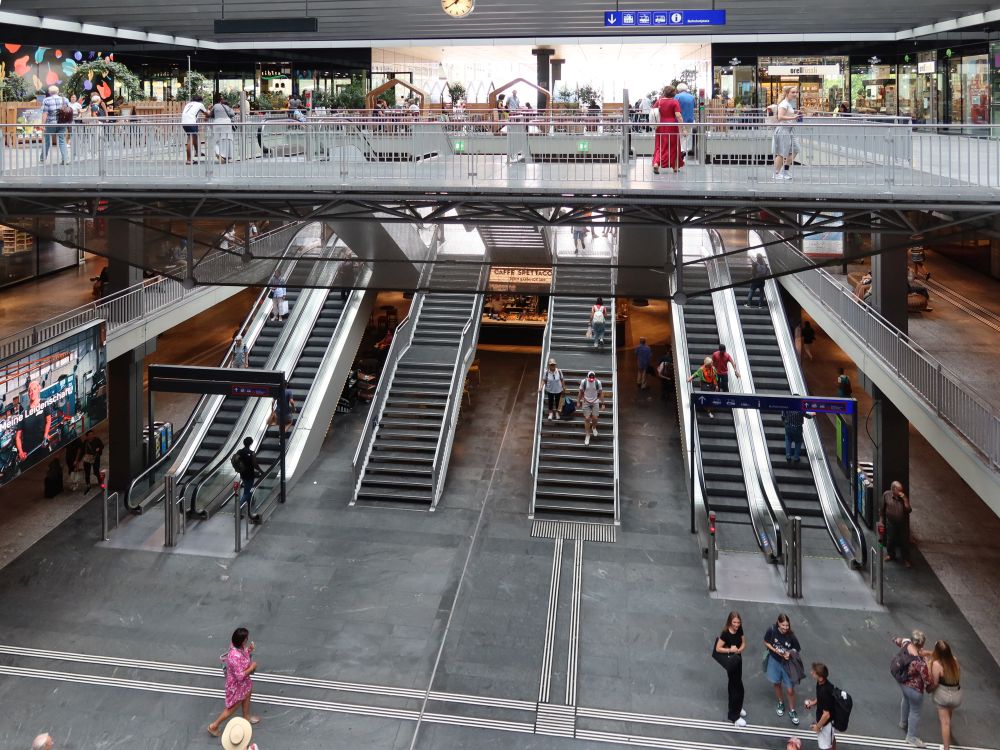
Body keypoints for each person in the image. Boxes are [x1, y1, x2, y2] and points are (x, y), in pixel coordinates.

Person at [208, 627, 260, 737]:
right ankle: (214, 726)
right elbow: (240, 676)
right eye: (246, 639)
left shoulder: (236, 645)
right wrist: (252, 667)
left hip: (244, 684)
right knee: (232, 708)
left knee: (247, 695)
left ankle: (246, 718)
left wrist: (249, 649)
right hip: (237, 685)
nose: (247, 640)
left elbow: (243, 652)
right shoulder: (234, 657)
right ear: (241, 641)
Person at [764, 614, 803, 726]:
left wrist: (788, 654)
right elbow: (766, 642)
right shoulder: (772, 630)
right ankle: (781, 702)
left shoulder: (791, 636)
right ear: (778, 623)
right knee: (776, 683)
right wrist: (776, 651)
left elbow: (797, 649)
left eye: (787, 625)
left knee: (790, 690)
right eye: (783, 625)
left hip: (787, 664)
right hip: (774, 661)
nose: (786, 627)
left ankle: (792, 710)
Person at [892, 630, 930, 747]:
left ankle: (903, 722)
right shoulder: (919, 662)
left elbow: (897, 640)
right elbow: (927, 680)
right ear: (922, 645)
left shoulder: (906, 643)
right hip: (915, 689)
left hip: (902, 682)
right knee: (915, 711)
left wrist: (894, 639)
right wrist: (928, 661)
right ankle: (911, 737)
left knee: (906, 699)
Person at [712, 611, 747, 728]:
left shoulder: (739, 629)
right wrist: (730, 650)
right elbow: (717, 648)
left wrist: (739, 649)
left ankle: (738, 707)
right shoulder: (725, 633)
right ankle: (734, 716)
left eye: (738, 622)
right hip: (731, 662)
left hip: (738, 660)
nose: (736, 625)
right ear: (730, 622)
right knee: (735, 688)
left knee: (739, 687)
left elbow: (743, 643)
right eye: (734, 622)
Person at [927, 640, 962, 750]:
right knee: (949, 715)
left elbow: (935, 683)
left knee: (944, 723)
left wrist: (929, 689)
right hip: (956, 694)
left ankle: (946, 748)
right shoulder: (954, 660)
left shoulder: (937, 664)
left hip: (943, 695)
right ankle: (949, 733)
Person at [15, 380, 53, 466]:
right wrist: (21, 452)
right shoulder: (23, 413)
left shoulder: (44, 403)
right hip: (28, 452)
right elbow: (18, 436)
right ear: (28, 394)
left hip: (42, 446)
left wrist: (46, 434)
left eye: (34, 389)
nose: (32, 392)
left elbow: (48, 420)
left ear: (38, 390)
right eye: (30, 390)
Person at [652, 85, 684, 174]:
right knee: (673, 146)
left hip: (660, 125)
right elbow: (678, 116)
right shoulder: (675, 102)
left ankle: (656, 163)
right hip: (672, 126)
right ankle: (675, 167)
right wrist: (683, 128)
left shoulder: (659, 102)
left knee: (660, 145)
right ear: (673, 93)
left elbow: (653, 113)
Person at [804, 662, 836, 750]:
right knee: (831, 739)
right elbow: (821, 698)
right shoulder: (821, 683)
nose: (811, 673)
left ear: (821, 677)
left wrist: (817, 727)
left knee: (825, 746)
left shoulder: (825, 691)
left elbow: (826, 715)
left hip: (827, 723)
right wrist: (813, 702)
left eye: (814, 672)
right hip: (824, 722)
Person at [772, 86, 802, 180]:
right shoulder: (784, 104)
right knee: (781, 152)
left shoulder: (788, 104)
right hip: (783, 130)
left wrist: (795, 114)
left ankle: (784, 171)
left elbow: (786, 115)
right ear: (787, 93)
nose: (795, 94)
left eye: (796, 92)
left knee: (795, 149)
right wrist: (793, 118)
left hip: (789, 130)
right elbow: (780, 117)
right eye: (793, 92)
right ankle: (776, 173)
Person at [881, 481, 913, 567]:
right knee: (890, 539)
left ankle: (906, 559)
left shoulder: (903, 497)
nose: (901, 492)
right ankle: (891, 555)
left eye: (901, 490)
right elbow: (882, 508)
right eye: (899, 490)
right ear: (893, 489)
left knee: (904, 541)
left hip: (902, 522)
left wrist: (905, 499)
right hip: (891, 522)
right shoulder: (886, 495)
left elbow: (909, 510)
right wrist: (881, 520)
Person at [39, 85, 71, 165]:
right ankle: (65, 159)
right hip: (62, 123)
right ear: (58, 92)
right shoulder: (65, 100)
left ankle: (42, 159)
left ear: (49, 92)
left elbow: (45, 113)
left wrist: (42, 124)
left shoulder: (46, 100)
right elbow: (68, 111)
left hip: (50, 124)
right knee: (62, 141)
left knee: (47, 141)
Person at [234, 437, 264, 508]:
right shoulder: (252, 453)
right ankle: (238, 507)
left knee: (248, 488)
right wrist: (261, 471)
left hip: (242, 473)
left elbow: (235, 460)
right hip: (250, 474)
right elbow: (255, 465)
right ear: (251, 443)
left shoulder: (239, 452)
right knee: (247, 492)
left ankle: (251, 501)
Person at [578, 371, 604, 447]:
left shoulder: (598, 382)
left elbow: (601, 393)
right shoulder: (584, 382)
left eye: (593, 377)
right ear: (587, 377)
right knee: (587, 418)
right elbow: (580, 392)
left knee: (595, 418)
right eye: (590, 377)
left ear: (595, 377)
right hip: (586, 401)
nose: (591, 379)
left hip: (595, 401)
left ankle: (594, 427)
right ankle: (587, 435)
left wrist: (603, 404)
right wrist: (578, 401)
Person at [182, 94, 208, 164]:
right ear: (200, 101)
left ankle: (198, 152)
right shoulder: (200, 104)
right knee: (190, 139)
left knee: (195, 137)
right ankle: (189, 160)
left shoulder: (188, 104)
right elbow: (207, 114)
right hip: (191, 122)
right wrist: (207, 116)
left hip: (184, 122)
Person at [211, 93, 237, 163]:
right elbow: (233, 114)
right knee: (228, 139)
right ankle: (227, 156)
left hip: (217, 123)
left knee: (216, 140)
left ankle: (218, 153)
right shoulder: (228, 107)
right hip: (227, 124)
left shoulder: (215, 106)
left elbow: (211, 115)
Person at [675, 82, 696, 155]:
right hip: (690, 119)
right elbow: (694, 106)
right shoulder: (692, 97)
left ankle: (681, 150)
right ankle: (685, 150)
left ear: (678, 89)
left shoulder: (677, 97)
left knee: (680, 135)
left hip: (679, 120)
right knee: (688, 135)